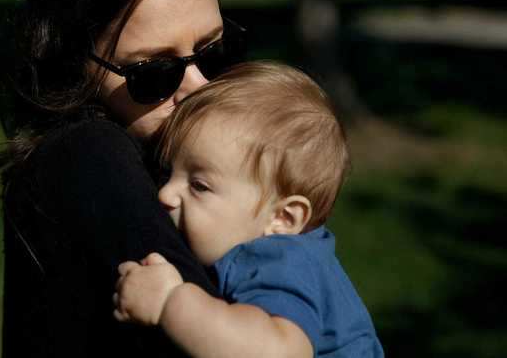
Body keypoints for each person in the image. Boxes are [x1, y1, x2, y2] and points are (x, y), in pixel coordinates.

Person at [0, 0, 247, 357]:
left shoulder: (156, 157)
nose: (199, 87)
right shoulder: (86, 155)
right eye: (154, 73)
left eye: (213, 52)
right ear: (74, 62)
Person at [113, 62, 384, 358]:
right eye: (168, 172)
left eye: (199, 185)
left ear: (283, 218)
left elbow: (278, 351)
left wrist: (168, 302)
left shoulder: (280, 260)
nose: (165, 193)